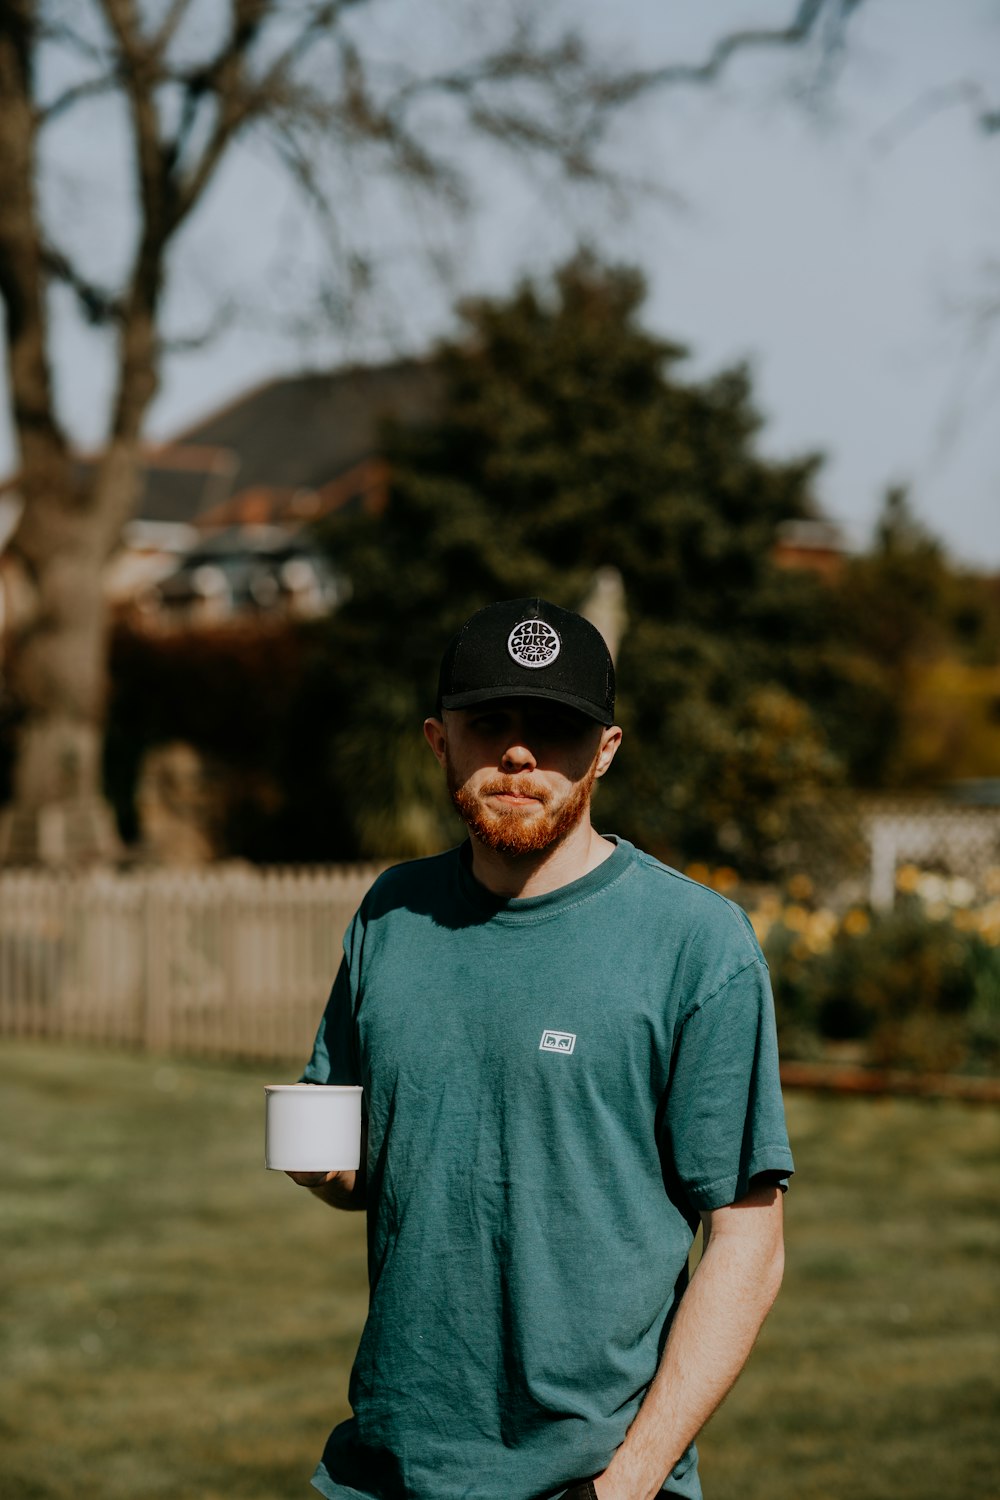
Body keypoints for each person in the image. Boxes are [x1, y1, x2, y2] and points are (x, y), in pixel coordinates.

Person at [290, 597, 794, 1500]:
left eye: (556, 730)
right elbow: (373, 1170)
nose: (520, 754)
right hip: (384, 1467)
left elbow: (748, 1245)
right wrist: (326, 1169)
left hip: (588, 1480)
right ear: (439, 741)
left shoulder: (696, 944)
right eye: (490, 723)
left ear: (604, 751)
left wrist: (630, 1481)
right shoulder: (391, 915)